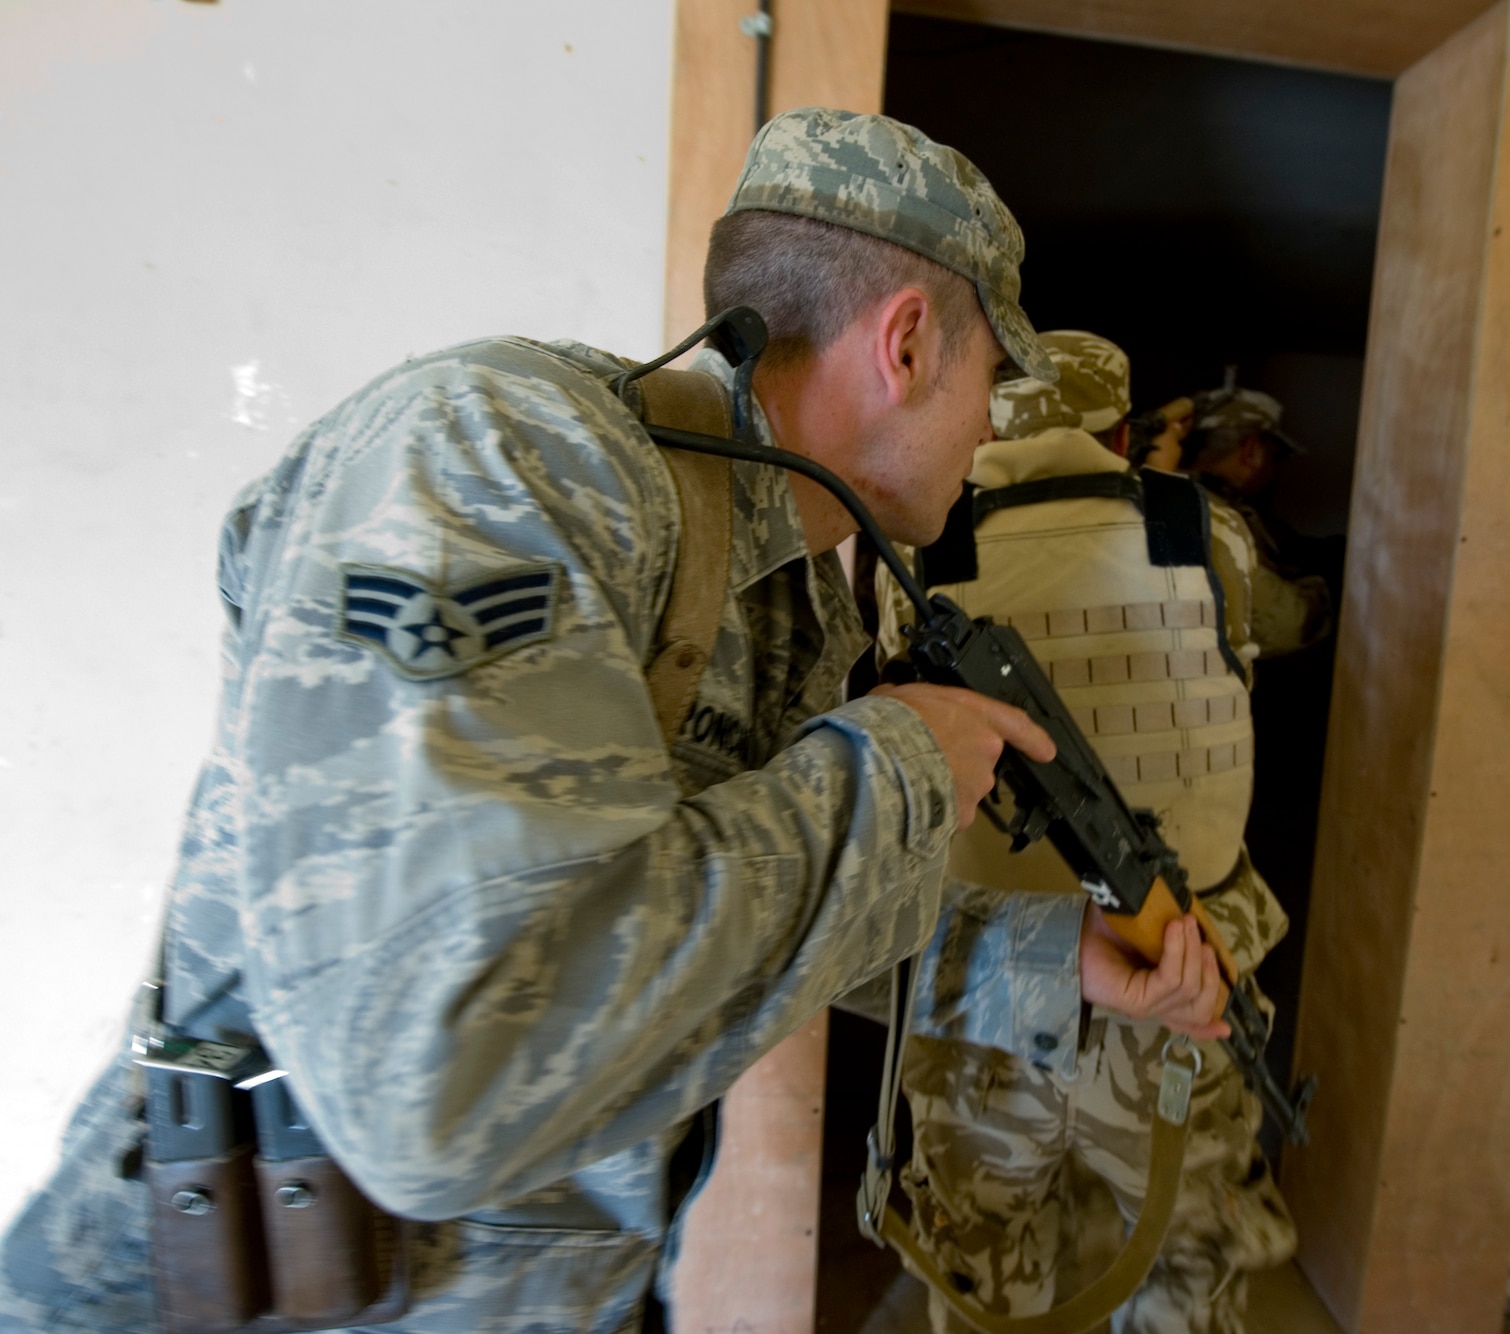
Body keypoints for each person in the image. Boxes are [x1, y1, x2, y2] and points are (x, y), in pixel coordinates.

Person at [0, 109, 1226, 1334]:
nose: (989, 430)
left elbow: (690, 911)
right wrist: (899, 769)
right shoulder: (496, 459)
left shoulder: (787, 576)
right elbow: (441, 1084)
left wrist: (1035, 959)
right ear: (906, 343)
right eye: (992, 381)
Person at [879, 331, 1299, 1334]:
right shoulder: (1211, 533)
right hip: (1178, 984)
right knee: (1180, 1281)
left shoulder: (914, 545)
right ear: (1119, 427)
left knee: (984, 1283)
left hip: (981, 991)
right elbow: (1277, 631)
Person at [1181, 388, 1333, 657]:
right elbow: (1289, 624)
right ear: (1251, 452)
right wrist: (1330, 589)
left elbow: (1285, 545)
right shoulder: (1208, 514)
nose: (1272, 470)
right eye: (1273, 456)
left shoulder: (1200, 502)